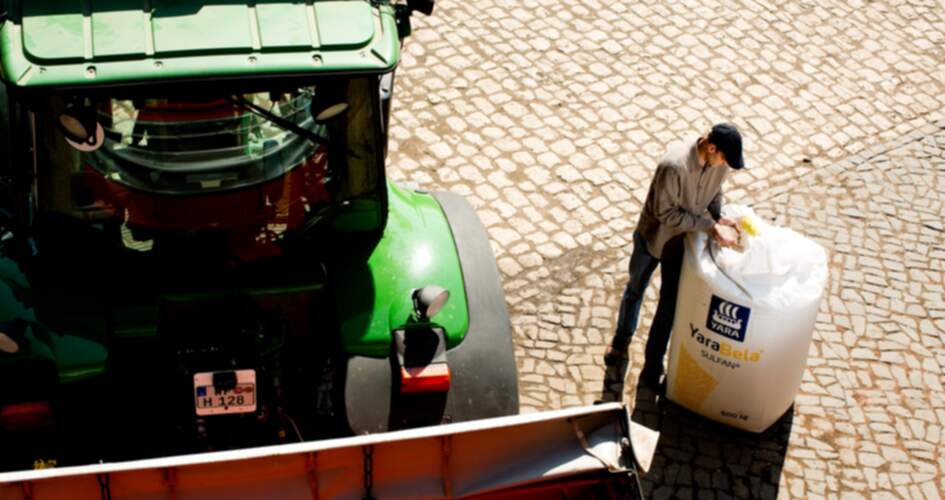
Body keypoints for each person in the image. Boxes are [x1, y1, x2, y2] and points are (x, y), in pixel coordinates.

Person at [605, 123, 746, 387]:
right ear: (711, 148)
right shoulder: (674, 166)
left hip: (681, 243)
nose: (724, 166)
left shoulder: (720, 165)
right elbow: (665, 214)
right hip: (653, 238)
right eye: (724, 159)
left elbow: (715, 193)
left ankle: (652, 365)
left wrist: (720, 217)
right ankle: (620, 343)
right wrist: (709, 225)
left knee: (669, 304)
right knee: (635, 290)